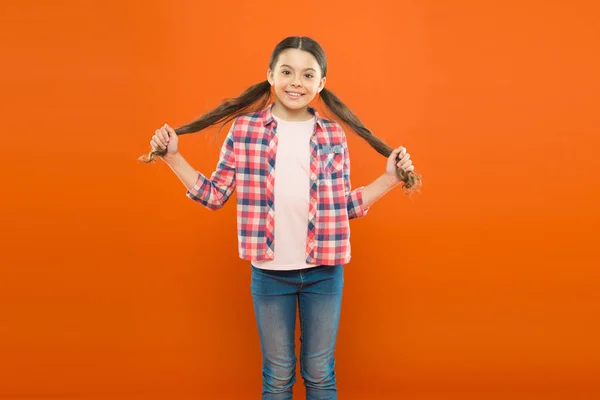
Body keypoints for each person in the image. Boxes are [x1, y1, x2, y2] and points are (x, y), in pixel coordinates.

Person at [140, 36, 421, 400]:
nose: (296, 82)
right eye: (287, 71)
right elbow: (214, 195)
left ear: (320, 84)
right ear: (270, 74)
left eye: (308, 75)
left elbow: (341, 208)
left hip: (325, 271)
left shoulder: (331, 134)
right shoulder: (245, 131)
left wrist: (390, 179)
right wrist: (172, 157)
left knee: (320, 374)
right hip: (270, 274)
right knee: (277, 375)